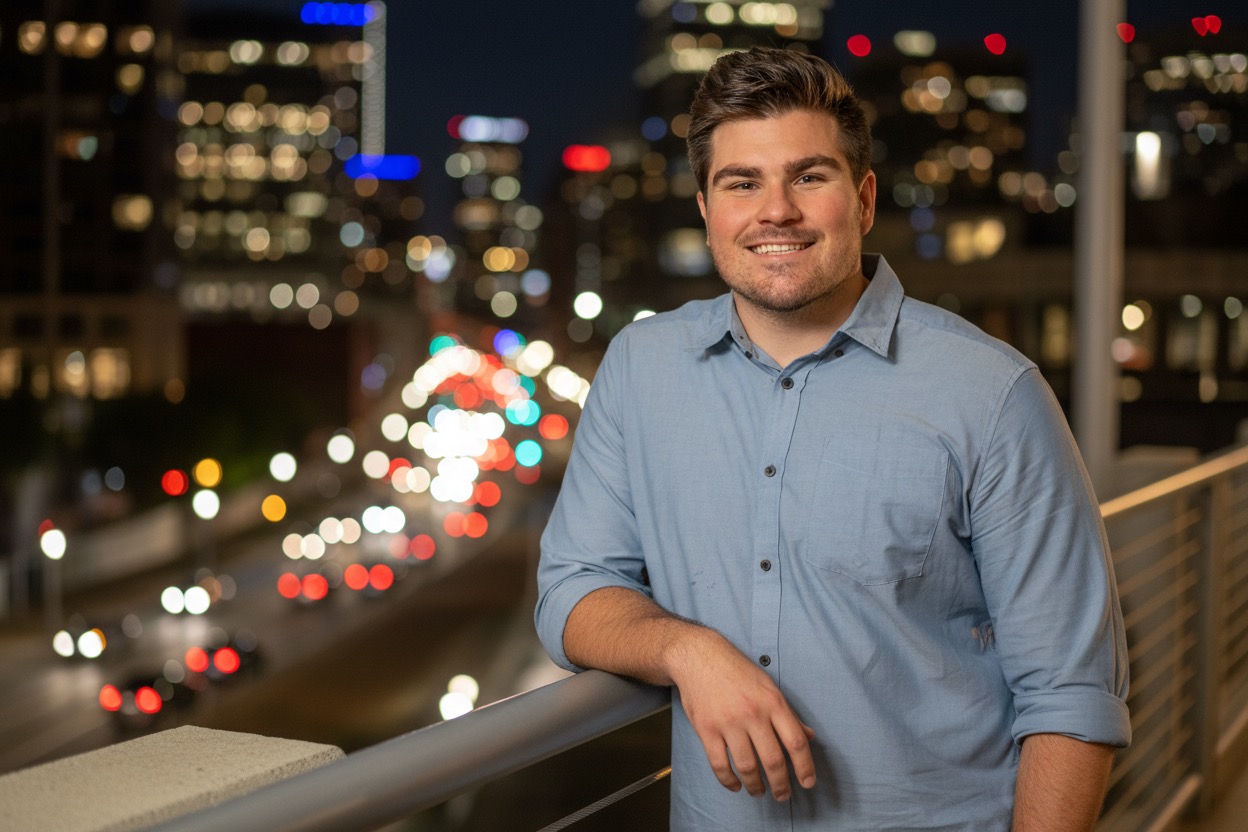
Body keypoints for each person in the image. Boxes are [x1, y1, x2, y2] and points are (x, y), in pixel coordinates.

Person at [535, 46, 1130, 831]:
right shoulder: (641, 369)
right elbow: (572, 589)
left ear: (865, 198)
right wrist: (687, 650)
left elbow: (1071, 692)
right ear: (708, 209)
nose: (774, 210)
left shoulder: (993, 393)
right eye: (741, 182)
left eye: (809, 177)